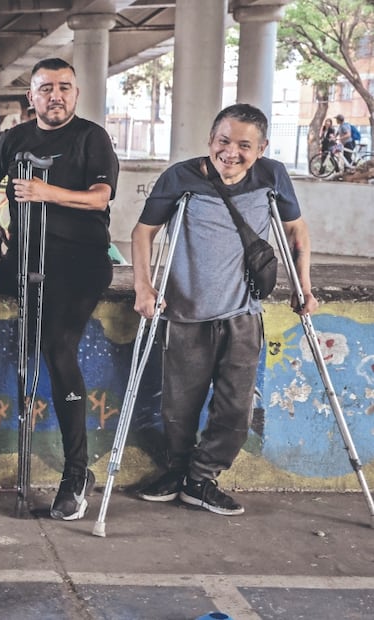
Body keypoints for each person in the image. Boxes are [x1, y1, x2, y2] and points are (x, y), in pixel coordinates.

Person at [133, 103, 318, 516]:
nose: (230, 152)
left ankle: (202, 478)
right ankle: (179, 472)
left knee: (236, 408)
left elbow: (295, 229)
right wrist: (143, 286)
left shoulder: (272, 176)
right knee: (178, 408)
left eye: (243, 145)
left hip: (242, 314)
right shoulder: (180, 177)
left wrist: (304, 286)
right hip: (184, 311)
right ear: (210, 140)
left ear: (262, 148)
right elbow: (143, 232)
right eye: (223, 141)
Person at [0, 58, 119, 522]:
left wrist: (47, 193)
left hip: (78, 263)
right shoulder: (15, 140)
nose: (55, 96)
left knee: (58, 348)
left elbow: (100, 197)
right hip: (23, 257)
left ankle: (76, 472)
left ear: (76, 94)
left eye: (64, 87)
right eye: (45, 89)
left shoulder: (91, 138)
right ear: (31, 98)